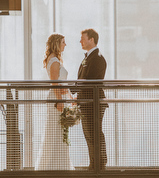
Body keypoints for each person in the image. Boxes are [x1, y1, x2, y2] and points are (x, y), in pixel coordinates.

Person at [35, 33, 74, 170]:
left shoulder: (55, 59)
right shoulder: (54, 61)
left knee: (61, 131)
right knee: (55, 131)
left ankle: (59, 165)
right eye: (63, 42)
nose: (65, 45)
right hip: (56, 99)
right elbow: (54, 83)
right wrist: (59, 101)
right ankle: (52, 166)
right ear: (57, 43)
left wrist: (70, 97)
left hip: (60, 97)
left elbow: (61, 84)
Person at [76, 28, 107, 170]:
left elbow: (90, 80)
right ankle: (94, 163)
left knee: (94, 132)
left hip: (93, 102)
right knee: (89, 133)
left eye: (83, 38)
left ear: (92, 40)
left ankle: (99, 163)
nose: (80, 41)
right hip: (86, 101)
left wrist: (74, 90)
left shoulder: (98, 58)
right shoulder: (88, 57)